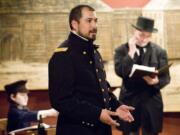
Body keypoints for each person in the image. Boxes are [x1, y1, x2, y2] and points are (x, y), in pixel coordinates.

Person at [48, 4, 134, 135]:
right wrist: (97, 114)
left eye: (95, 21)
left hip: (100, 129)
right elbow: (60, 100)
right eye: (89, 21)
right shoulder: (63, 54)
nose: (94, 26)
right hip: (76, 130)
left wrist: (117, 105)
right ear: (74, 24)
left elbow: (100, 88)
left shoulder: (92, 51)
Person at [114, 16, 171, 135]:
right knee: (129, 132)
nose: (144, 39)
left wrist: (156, 82)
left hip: (151, 100)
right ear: (135, 31)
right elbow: (120, 71)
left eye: (148, 36)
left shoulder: (159, 51)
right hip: (129, 99)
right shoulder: (121, 50)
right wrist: (131, 52)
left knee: (151, 132)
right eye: (141, 35)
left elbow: (166, 78)